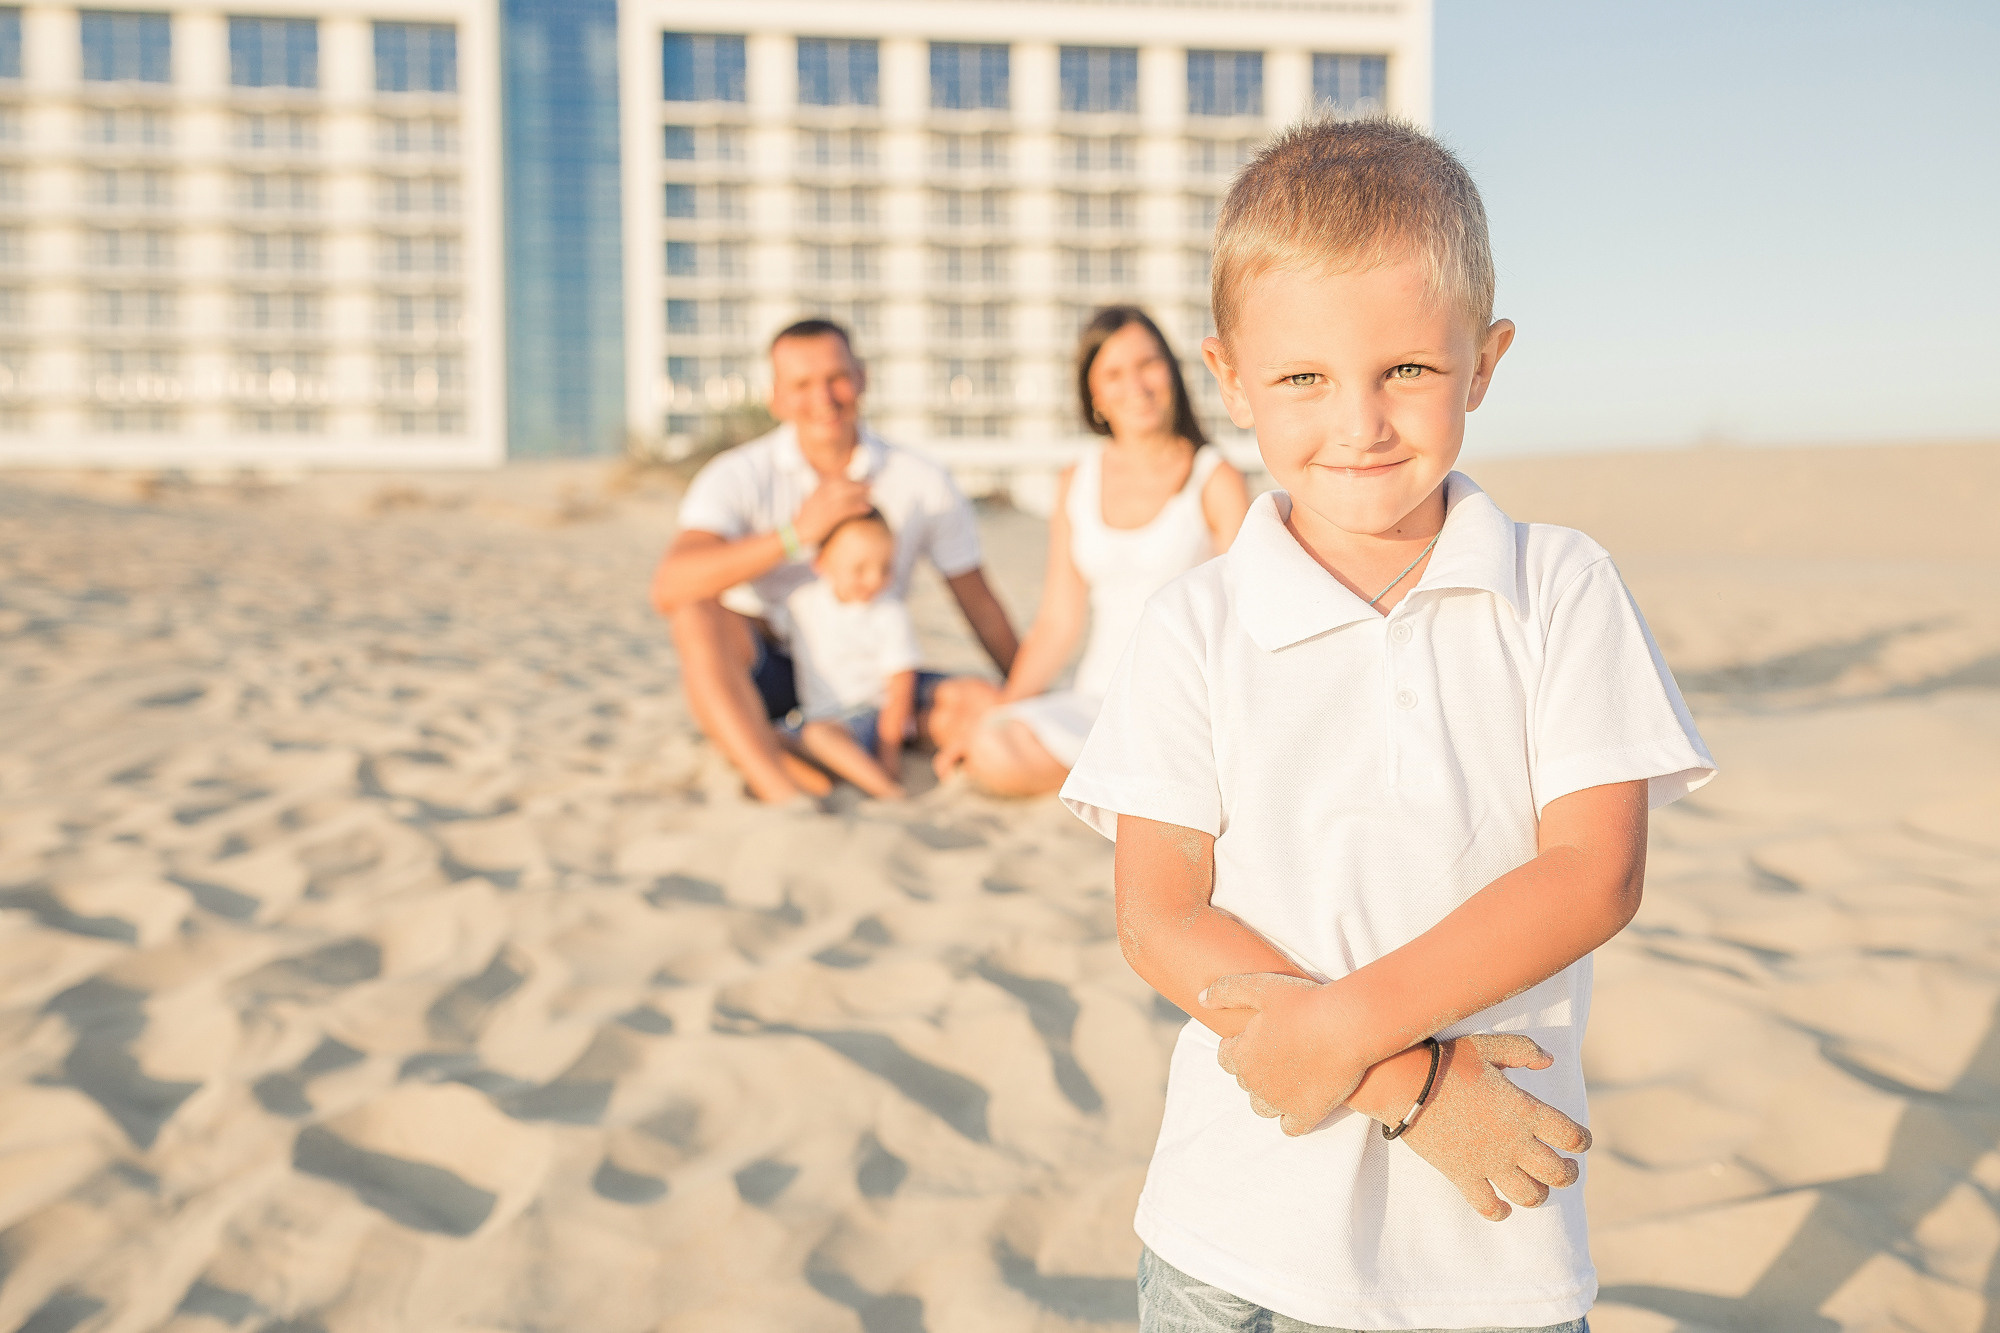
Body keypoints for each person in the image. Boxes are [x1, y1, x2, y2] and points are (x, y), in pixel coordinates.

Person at [1059, 119, 1717, 1332]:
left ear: (1481, 362)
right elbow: (1157, 915)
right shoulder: (1193, 621)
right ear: (1230, 376)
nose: (1357, 421)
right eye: (1302, 378)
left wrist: (1348, 1033)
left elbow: (1591, 874)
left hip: (1483, 1244)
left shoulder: (1558, 583)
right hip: (1234, 1238)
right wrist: (1404, 1081)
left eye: (1405, 370)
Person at [651, 320, 1019, 804]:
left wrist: (1028, 694)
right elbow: (669, 586)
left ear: (862, 378)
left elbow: (979, 602)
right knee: (696, 614)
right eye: (801, 385)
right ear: (776, 398)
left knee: (984, 704)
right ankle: (778, 785)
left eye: (836, 378)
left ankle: (811, 753)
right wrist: (795, 535)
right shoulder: (738, 474)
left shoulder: (919, 477)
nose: (823, 397)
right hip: (773, 672)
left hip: (871, 673)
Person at [929, 308, 1250, 797]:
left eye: (1148, 364)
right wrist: (1005, 710)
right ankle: (1113, 781)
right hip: (1094, 702)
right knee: (987, 738)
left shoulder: (1213, 477)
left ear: (1172, 372)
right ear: (1094, 395)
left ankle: (1119, 782)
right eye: (1114, 374)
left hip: (1181, 705)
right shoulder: (1077, 480)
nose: (1136, 385)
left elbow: (1242, 617)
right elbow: (1059, 622)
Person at [777, 509, 937, 800]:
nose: (875, 579)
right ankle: (823, 784)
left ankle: (886, 791)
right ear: (821, 562)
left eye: (886, 568)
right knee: (763, 736)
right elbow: (767, 630)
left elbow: (901, 688)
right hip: (816, 716)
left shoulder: (889, 613)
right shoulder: (801, 604)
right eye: (860, 568)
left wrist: (889, 754)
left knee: (817, 736)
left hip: (866, 717)